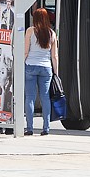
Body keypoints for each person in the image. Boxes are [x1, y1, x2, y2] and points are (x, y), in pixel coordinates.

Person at [24, 8, 58, 136]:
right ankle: (46, 128)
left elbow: (26, 52)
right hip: (46, 68)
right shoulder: (52, 33)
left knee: (30, 97)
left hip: (31, 66)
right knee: (45, 98)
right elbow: (54, 56)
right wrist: (56, 73)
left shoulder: (30, 31)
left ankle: (30, 128)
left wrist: (21, 64)